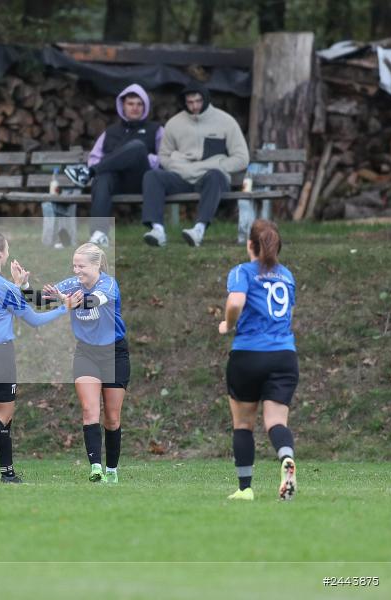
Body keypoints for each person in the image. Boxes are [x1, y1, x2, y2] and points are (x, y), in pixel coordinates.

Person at [0, 231, 78, 484]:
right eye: (7, 249)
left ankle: (7, 473)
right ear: (0, 254)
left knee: (2, 415)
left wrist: (17, 285)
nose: (8, 253)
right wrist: (65, 307)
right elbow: (35, 320)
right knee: (1, 415)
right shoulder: (5, 287)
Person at [218, 219, 298, 501]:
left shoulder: (243, 271)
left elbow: (236, 302)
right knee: (276, 421)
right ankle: (286, 458)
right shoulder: (287, 276)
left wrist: (228, 324)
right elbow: (288, 314)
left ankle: (245, 489)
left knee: (243, 424)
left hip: (249, 354)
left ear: (250, 244)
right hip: (284, 356)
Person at [44, 243, 129, 484]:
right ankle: (96, 468)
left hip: (114, 354)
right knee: (90, 410)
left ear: (96, 265)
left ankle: (111, 470)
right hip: (86, 354)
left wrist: (67, 301)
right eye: (74, 265)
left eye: (81, 266)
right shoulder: (72, 285)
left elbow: (92, 301)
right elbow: (40, 300)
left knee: (112, 417)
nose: (76, 270)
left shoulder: (108, 284)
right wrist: (23, 286)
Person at [142, 82, 249, 248]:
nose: (194, 106)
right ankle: (157, 230)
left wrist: (220, 165)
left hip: (211, 179)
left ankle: (199, 230)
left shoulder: (226, 122)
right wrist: (175, 165)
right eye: (190, 102)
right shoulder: (174, 123)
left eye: (198, 101)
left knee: (215, 175)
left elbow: (242, 158)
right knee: (152, 176)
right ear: (184, 102)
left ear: (206, 99)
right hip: (181, 177)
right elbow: (163, 155)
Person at [64, 83, 164, 248]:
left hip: (143, 180)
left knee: (137, 147)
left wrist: (146, 158)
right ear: (123, 105)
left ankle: (88, 173)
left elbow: (165, 158)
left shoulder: (156, 129)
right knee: (103, 177)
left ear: (145, 107)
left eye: (139, 104)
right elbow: (95, 157)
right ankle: (100, 233)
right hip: (116, 182)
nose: (135, 108)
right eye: (130, 104)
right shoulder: (110, 132)